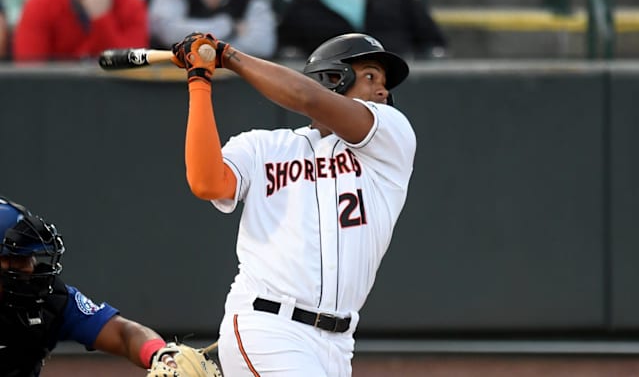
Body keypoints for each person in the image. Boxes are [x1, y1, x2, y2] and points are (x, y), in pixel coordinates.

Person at [170, 31, 416, 376]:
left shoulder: (392, 137)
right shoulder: (263, 147)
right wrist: (199, 81)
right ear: (332, 79)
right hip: (267, 326)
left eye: (384, 82)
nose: (383, 90)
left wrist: (228, 55)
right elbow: (206, 182)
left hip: (338, 344)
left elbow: (307, 99)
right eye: (371, 76)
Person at [0, 196, 179, 377]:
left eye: (29, 257)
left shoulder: (48, 300)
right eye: (15, 259)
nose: (30, 267)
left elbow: (123, 333)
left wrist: (160, 354)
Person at [275, 0, 447, 60]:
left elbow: (432, 40)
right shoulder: (298, 5)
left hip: (400, 82)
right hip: (335, 92)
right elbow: (289, 52)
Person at [12, 0, 149, 62]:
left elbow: (132, 68)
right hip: (54, 98)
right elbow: (30, 71)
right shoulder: (40, 4)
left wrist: (101, 20)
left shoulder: (132, 4)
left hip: (117, 99)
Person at [148, 0, 276, 58]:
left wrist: (203, 49)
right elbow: (169, 33)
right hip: (175, 79)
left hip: (235, 81)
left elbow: (261, 46)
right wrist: (229, 27)